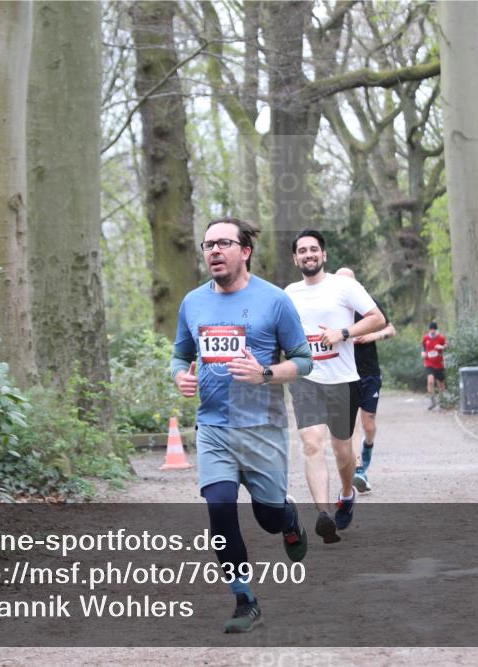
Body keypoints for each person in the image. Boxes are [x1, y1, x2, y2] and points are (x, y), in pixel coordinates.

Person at [171, 217, 314, 634]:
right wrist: (179, 375)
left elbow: (304, 361)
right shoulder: (192, 303)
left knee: (268, 516)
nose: (214, 251)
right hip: (213, 427)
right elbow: (180, 354)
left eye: (223, 243)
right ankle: (245, 599)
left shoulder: (274, 301)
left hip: (261, 428)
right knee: (218, 508)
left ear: (244, 251)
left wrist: (266, 374)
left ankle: (289, 520)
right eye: (208, 244)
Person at [285, 230, 385, 544]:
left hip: (343, 380)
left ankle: (346, 493)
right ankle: (323, 514)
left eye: (314, 249)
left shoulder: (345, 286)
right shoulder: (288, 294)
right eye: (302, 250)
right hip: (307, 380)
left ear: (324, 255)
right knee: (312, 443)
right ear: (295, 258)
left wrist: (343, 332)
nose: (308, 254)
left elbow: (377, 318)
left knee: (343, 451)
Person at [334, 267, 396, 494]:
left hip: (369, 372)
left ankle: (367, 450)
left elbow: (391, 329)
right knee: (350, 426)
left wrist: (373, 335)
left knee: (368, 425)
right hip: (344, 373)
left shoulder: (368, 304)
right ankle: (359, 469)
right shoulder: (331, 308)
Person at [422, 321, 447, 410]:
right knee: (430, 381)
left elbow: (448, 346)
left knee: (441, 384)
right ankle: (432, 401)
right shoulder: (425, 338)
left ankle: (442, 401)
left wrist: (442, 347)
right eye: (431, 329)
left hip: (439, 364)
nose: (432, 331)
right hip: (429, 363)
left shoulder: (441, 338)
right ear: (429, 330)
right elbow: (423, 348)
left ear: (436, 330)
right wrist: (423, 353)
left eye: (434, 329)